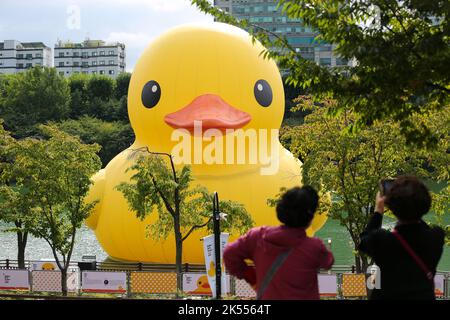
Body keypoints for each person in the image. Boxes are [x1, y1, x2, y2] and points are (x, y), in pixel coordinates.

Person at [223, 186, 334, 300]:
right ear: (309, 217)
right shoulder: (314, 247)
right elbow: (328, 262)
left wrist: (252, 277)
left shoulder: (257, 237)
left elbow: (229, 253)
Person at [359, 175, 446, 300]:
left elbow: (364, 240)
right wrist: (415, 208)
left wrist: (378, 210)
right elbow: (422, 228)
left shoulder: (383, 241)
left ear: (392, 208)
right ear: (426, 203)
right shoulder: (436, 237)